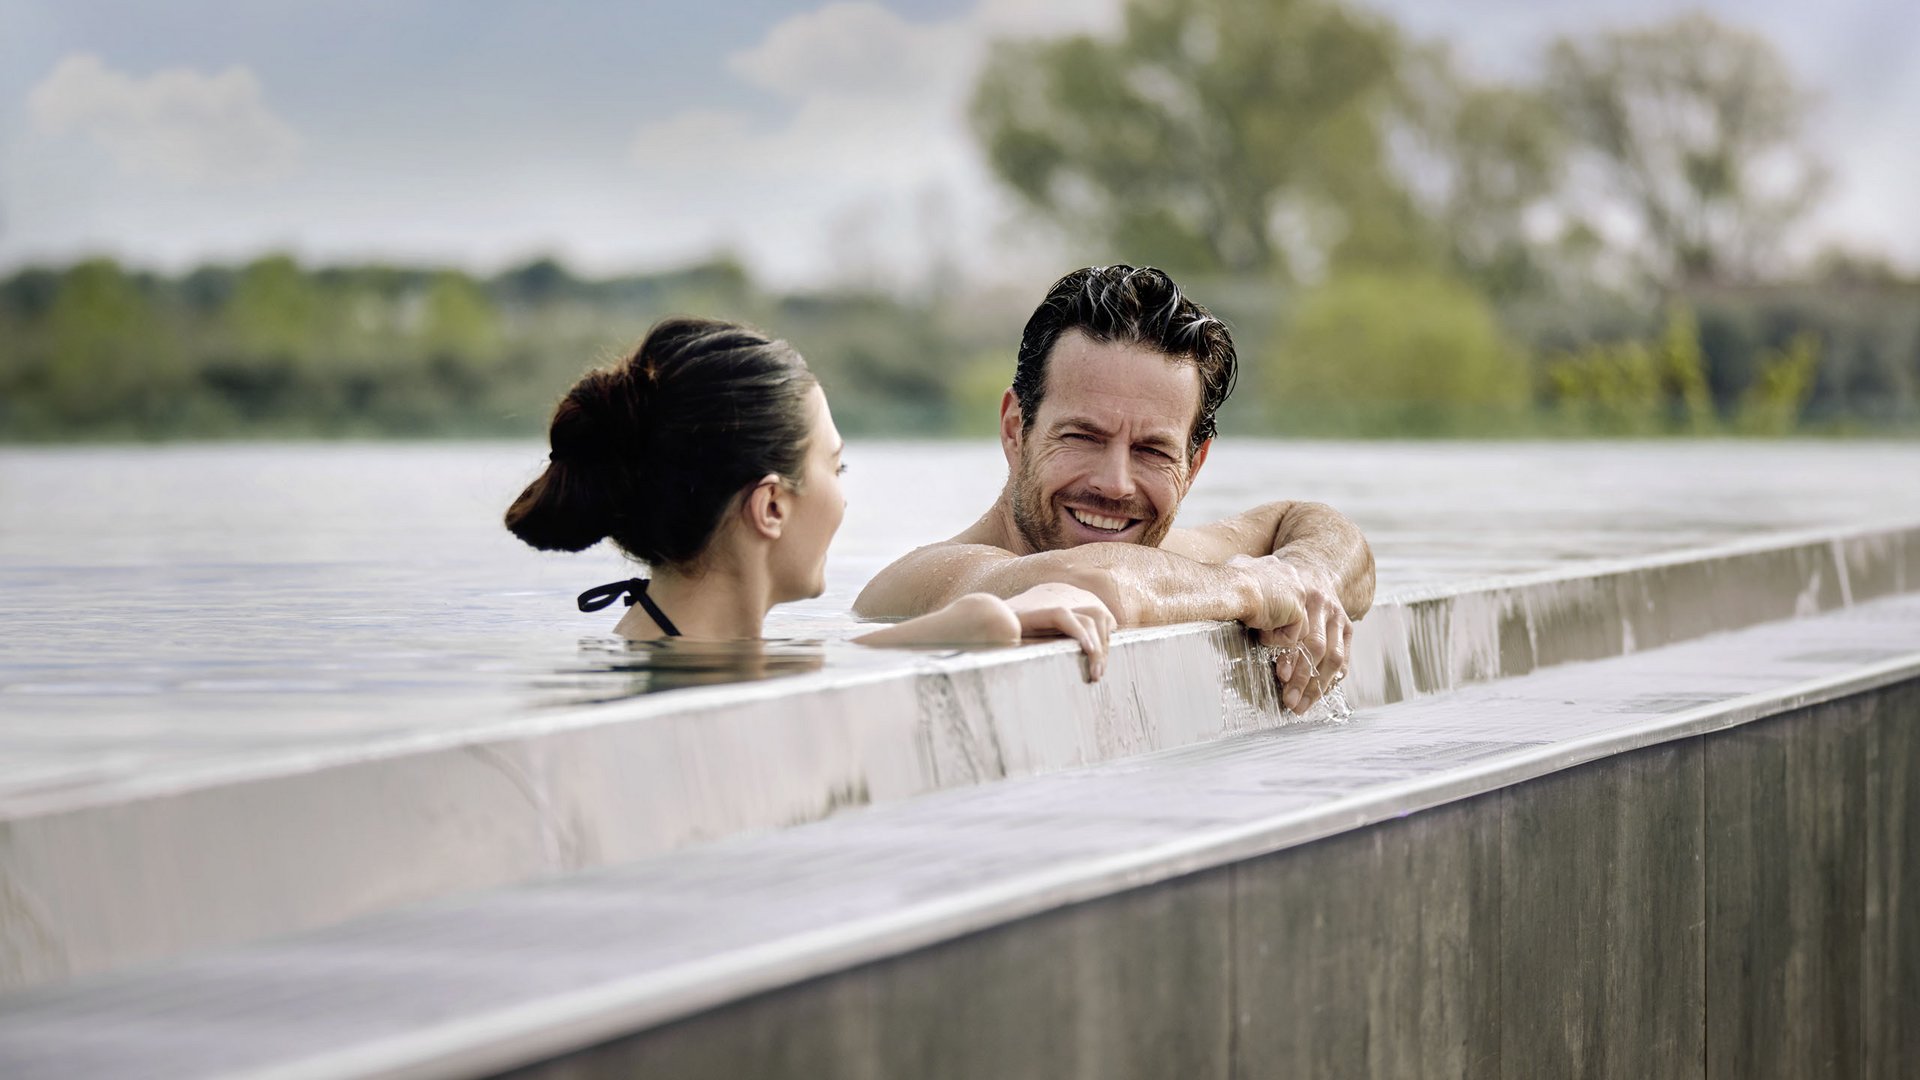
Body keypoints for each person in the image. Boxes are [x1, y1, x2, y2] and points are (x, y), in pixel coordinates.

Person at [855, 265, 1375, 713]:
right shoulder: (922, 582)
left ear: (1193, 465)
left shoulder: (1176, 563)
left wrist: (1308, 577)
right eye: (1083, 437)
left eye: (1152, 451)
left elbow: (1307, 520)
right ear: (1016, 429)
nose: (1115, 483)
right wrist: (1252, 589)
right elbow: (1096, 580)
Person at [505, 316, 1117, 679]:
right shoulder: (687, 684)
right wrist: (978, 620)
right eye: (836, 466)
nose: (844, 500)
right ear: (770, 506)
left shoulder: (662, 651)